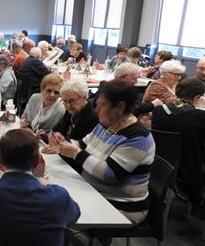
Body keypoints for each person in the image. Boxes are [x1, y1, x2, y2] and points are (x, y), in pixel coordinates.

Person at [57, 80, 155, 226]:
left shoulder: (137, 137)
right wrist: (63, 143)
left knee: (56, 218)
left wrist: (76, 153)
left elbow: (109, 174)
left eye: (102, 105)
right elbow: (82, 144)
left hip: (120, 206)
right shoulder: (106, 125)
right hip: (93, 192)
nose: (96, 110)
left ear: (120, 107)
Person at [152, 77, 205, 219]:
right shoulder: (199, 116)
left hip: (158, 163)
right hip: (187, 169)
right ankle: (198, 204)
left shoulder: (158, 111)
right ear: (197, 97)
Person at [47, 79, 98, 154]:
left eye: (72, 100)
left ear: (84, 97)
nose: (67, 105)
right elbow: (57, 130)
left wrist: (60, 144)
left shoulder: (93, 118)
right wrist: (48, 135)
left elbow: (84, 147)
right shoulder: (71, 111)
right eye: (64, 101)